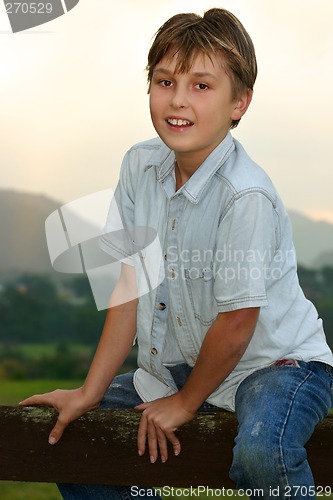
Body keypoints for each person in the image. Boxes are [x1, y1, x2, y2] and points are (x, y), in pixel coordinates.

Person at [21, 7, 333, 499]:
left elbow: (237, 322)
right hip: (174, 373)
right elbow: (129, 288)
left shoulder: (244, 195)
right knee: (79, 441)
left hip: (276, 369)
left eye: (202, 86)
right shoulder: (139, 166)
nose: (178, 100)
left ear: (240, 102)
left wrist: (187, 403)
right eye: (165, 81)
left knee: (261, 452)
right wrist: (90, 392)